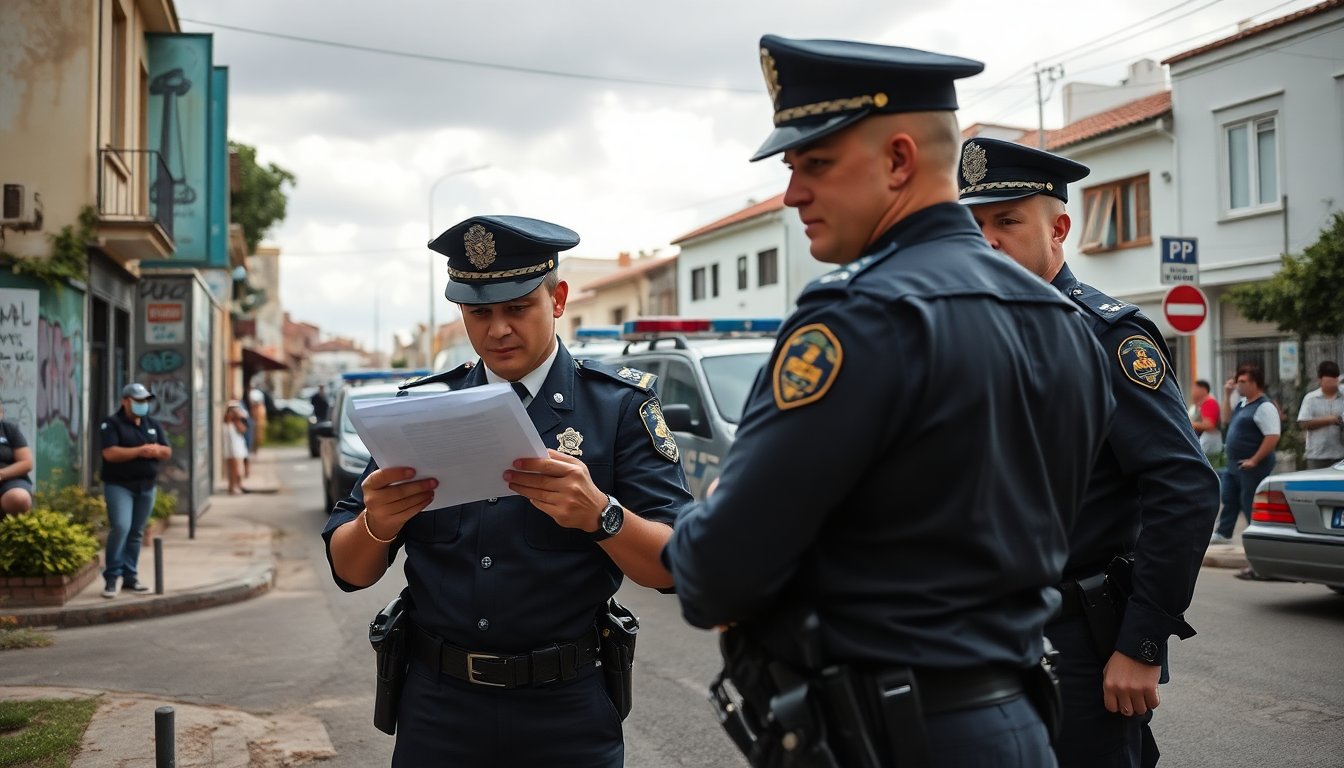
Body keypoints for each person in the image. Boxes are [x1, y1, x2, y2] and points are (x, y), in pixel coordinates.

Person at [663, 36, 1115, 768]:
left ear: (900, 160)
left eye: (815, 164)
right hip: (1021, 727)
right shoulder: (1065, 323)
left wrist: (715, 502)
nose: (792, 194)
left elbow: (716, 575)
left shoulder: (858, 320)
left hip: (890, 739)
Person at [322, 214, 693, 766]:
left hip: (565, 711)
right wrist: (377, 523)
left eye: (517, 308)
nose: (497, 330)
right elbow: (350, 572)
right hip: (438, 707)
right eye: (479, 312)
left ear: (558, 299)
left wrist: (602, 515)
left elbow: (674, 566)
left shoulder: (617, 408)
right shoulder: (421, 411)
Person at [958, 138, 1219, 768]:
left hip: (1074, 642)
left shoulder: (1106, 337)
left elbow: (1184, 486)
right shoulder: (974, 336)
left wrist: (1144, 641)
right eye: (974, 226)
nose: (987, 240)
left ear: (1060, 229)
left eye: (1008, 221)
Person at [98, 382, 171, 598]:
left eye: (145, 401)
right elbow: (109, 453)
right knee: (120, 526)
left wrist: (156, 450)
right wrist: (139, 451)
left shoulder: (152, 424)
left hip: (147, 486)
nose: (142, 404)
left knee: (136, 533)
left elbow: (167, 451)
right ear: (125, 401)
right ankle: (112, 578)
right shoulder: (111, 424)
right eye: (138, 401)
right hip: (119, 485)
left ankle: (130, 576)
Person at [1215, 363, 1280, 550]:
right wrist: (1227, 396)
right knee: (1229, 498)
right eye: (1238, 381)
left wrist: (1254, 460)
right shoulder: (1242, 404)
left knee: (1249, 502)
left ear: (1255, 383)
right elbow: (1225, 419)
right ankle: (1224, 532)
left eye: (1243, 381)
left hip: (1253, 466)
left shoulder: (1265, 406)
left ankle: (1257, 538)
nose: (1239, 385)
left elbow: (1273, 436)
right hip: (1234, 464)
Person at [1296, 360, 1344, 470]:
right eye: (1328, 381)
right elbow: (1303, 423)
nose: (1332, 384)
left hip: (1340, 455)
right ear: (1320, 380)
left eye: (1334, 381)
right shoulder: (1311, 399)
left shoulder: (1342, 396)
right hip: (1317, 455)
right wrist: (1329, 420)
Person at [0, 402, 35, 517]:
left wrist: (1, 474)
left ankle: (13, 529)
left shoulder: (9, 429)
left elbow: (26, 463)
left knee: (19, 498)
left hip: (9, 481)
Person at [1190, 379, 1223, 459]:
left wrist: (1188, 423)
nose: (1192, 391)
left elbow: (1209, 425)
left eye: (1195, 389)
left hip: (1209, 441)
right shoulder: (1198, 405)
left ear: (1203, 390)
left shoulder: (1210, 403)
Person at [222, 402, 250, 495]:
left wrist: (239, 418)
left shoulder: (234, 422)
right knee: (234, 470)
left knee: (236, 469)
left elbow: (243, 429)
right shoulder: (229, 422)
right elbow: (242, 429)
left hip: (236, 449)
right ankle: (233, 487)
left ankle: (236, 486)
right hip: (232, 449)